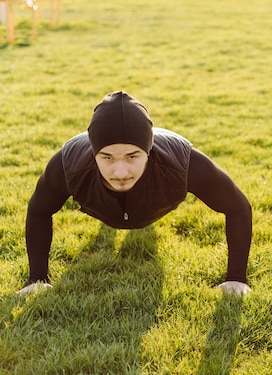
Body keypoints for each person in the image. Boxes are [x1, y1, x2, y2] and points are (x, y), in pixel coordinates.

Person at [18, 91, 252, 297]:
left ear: (148, 151)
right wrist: (37, 279)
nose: (120, 172)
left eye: (132, 157)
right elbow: (39, 211)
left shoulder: (185, 163)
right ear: (93, 153)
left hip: (155, 193)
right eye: (107, 158)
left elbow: (237, 207)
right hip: (101, 200)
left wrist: (236, 278)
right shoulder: (68, 165)